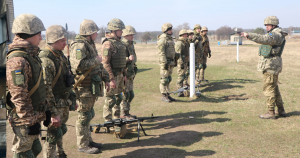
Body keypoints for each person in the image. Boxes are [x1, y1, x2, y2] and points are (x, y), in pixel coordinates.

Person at [6, 13, 47, 158]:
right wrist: (30, 122)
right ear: (29, 34)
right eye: (39, 34)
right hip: (23, 119)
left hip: (32, 115)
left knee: (35, 149)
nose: (41, 38)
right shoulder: (18, 60)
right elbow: (19, 95)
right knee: (23, 152)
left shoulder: (30, 55)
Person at [70, 19, 110, 154]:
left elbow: (98, 66)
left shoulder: (89, 44)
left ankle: (88, 140)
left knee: (88, 115)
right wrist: (95, 60)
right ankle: (82, 144)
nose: (97, 34)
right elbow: (78, 65)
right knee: (84, 116)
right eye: (95, 31)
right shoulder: (79, 45)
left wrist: (107, 78)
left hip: (91, 87)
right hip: (84, 88)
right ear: (88, 33)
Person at [39, 25, 77, 158]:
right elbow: (46, 89)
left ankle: (61, 153)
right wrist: (53, 113)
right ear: (53, 40)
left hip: (63, 102)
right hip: (54, 105)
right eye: (62, 40)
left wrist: (73, 99)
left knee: (59, 131)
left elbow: (68, 79)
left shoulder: (60, 56)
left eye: (65, 39)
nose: (65, 43)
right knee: (52, 136)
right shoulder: (47, 60)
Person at [240, 16, 287, 119]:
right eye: (265, 25)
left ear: (274, 25)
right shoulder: (275, 34)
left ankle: (270, 113)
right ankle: (281, 110)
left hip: (271, 65)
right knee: (274, 87)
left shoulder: (276, 35)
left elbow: (264, 39)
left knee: (269, 88)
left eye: (268, 25)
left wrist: (250, 35)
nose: (266, 27)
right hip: (271, 64)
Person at [101, 18, 133, 122]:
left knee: (118, 98)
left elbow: (122, 62)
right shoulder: (108, 44)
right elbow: (105, 63)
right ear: (114, 30)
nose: (122, 32)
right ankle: (108, 120)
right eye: (120, 30)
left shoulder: (120, 44)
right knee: (110, 99)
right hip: (113, 76)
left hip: (120, 75)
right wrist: (111, 79)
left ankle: (117, 117)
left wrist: (124, 75)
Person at [120, 25, 138, 120]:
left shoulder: (130, 44)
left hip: (130, 72)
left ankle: (127, 112)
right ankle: (123, 113)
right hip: (125, 73)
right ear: (125, 35)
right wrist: (128, 59)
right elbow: (120, 60)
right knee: (125, 94)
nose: (132, 36)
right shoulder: (123, 45)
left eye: (133, 34)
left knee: (130, 94)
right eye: (131, 34)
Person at [157, 23, 177, 102]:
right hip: (165, 62)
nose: (171, 31)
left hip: (171, 62)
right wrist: (164, 63)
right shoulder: (163, 39)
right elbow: (161, 52)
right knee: (164, 79)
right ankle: (164, 95)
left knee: (169, 79)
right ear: (166, 30)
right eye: (170, 30)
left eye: (171, 29)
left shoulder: (170, 38)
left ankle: (167, 94)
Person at [175, 29, 190, 97]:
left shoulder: (185, 42)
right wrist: (181, 64)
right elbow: (178, 54)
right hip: (181, 62)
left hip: (185, 62)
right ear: (181, 35)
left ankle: (182, 90)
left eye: (186, 34)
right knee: (180, 77)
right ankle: (179, 91)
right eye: (185, 34)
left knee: (183, 76)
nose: (186, 36)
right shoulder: (180, 43)